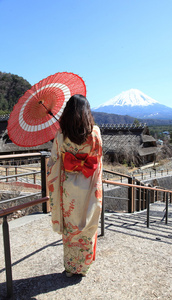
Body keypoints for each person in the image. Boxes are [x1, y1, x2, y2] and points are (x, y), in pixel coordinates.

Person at [47, 94, 102, 277]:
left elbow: (54, 162)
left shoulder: (61, 135)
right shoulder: (95, 132)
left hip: (68, 187)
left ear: (68, 113)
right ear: (87, 112)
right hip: (89, 184)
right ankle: (84, 267)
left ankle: (71, 268)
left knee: (71, 229)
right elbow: (98, 161)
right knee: (87, 224)